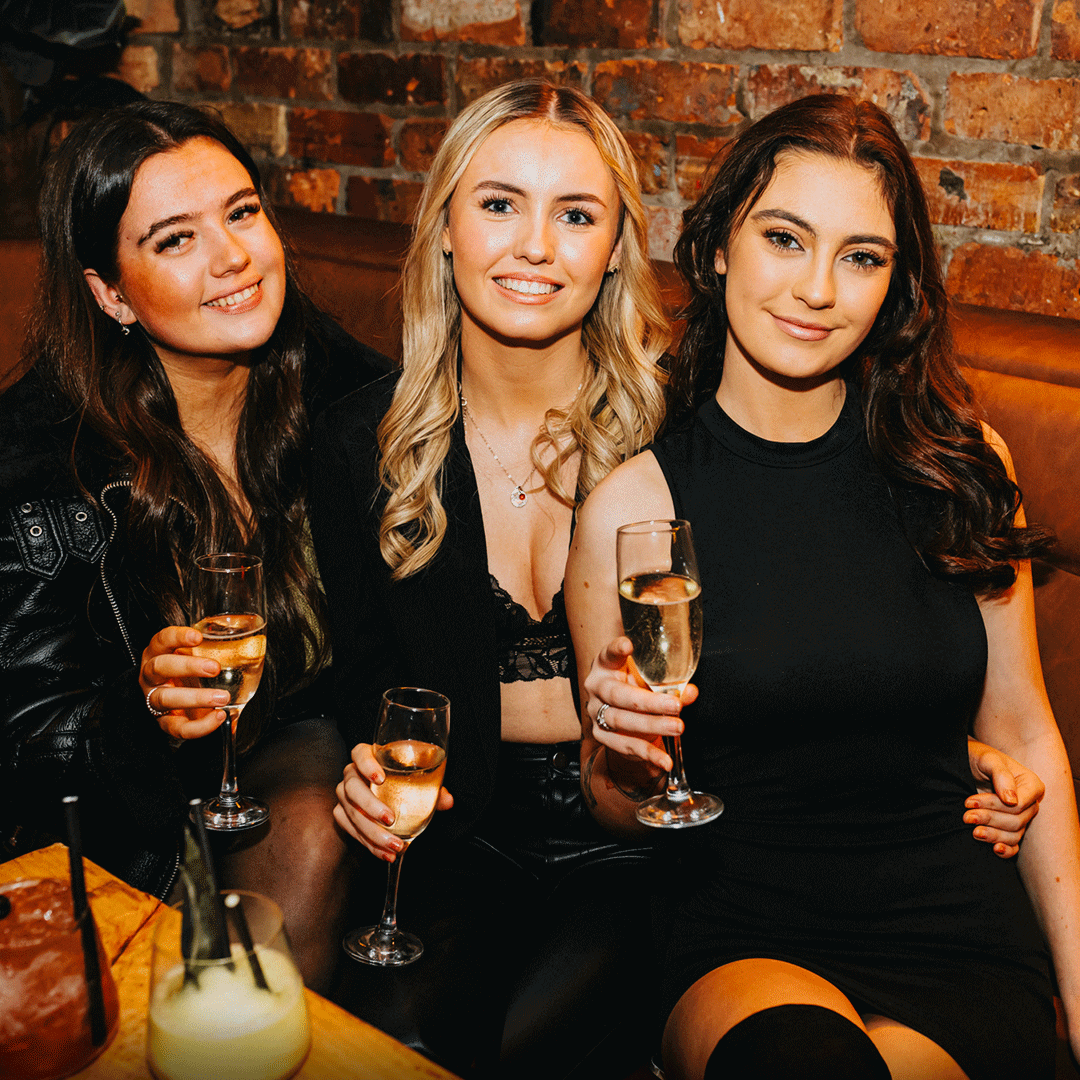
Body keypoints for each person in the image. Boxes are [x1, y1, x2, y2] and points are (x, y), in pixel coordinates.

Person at [311, 82, 1042, 1077]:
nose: (534, 247)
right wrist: (363, 770)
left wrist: (958, 741)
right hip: (470, 834)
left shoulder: (682, 422)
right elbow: (364, 685)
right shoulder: (363, 442)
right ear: (442, 223)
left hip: (659, 845)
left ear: (619, 246)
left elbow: (825, 589)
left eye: (575, 215)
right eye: (498, 204)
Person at [565, 93, 1080, 1080]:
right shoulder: (636, 503)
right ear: (718, 249)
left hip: (954, 929)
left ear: (894, 286)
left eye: (862, 257)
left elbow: (1023, 734)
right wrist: (625, 761)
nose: (816, 289)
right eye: (785, 238)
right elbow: (612, 802)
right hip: (741, 927)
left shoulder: (962, 465)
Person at [0, 100, 390, 989]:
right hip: (127, 827)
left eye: (242, 211)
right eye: (175, 239)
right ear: (109, 293)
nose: (233, 257)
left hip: (313, 772)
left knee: (310, 803)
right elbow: (29, 738)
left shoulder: (347, 399)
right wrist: (142, 713)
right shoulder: (30, 465)